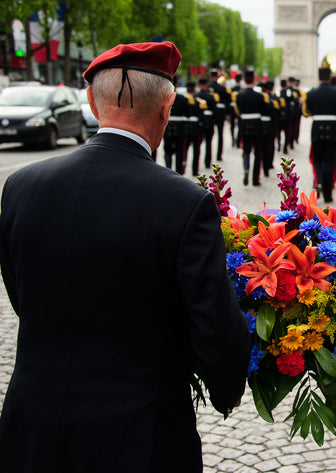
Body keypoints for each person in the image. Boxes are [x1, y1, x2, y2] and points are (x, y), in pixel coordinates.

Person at [0, 41, 252, 473]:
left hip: (31, 422)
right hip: (138, 432)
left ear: (93, 103)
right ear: (167, 106)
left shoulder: (20, 185)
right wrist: (227, 387)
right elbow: (213, 321)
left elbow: (23, 297)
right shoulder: (185, 203)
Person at [303, 66, 336, 203]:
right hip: (332, 129)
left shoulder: (311, 93)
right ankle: (328, 195)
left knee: (316, 160)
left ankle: (318, 182)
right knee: (329, 162)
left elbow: (307, 110)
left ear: (318, 77)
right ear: (330, 78)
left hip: (317, 129)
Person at [235, 69, 265, 186]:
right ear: (254, 80)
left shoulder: (239, 96)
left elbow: (238, 111)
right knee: (258, 154)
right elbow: (263, 110)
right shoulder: (259, 96)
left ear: (244, 80)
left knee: (246, 151)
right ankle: (255, 179)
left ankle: (246, 168)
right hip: (257, 125)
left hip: (244, 125)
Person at [163, 76, 190, 174]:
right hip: (180, 128)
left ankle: (167, 170)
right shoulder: (183, 98)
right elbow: (188, 113)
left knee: (167, 151)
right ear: (177, 85)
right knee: (180, 152)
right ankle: (178, 173)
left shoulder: (164, 98)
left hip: (168, 127)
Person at [208, 68, 231, 162]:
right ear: (217, 76)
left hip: (211, 112)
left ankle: (208, 159)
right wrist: (227, 113)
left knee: (209, 136)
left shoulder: (208, 87)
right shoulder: (222, 88)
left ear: (210, 77)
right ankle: (219, 155)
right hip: (221, 112)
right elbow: (228, 101)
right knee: (220, 134)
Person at [195, 77, 217, 170]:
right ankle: (207, 162)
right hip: (209, 120)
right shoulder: (211, 96)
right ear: (206, 85)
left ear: (199, 85)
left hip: (199, 121)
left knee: (198, 144)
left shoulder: (196, 96)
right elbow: (215, 110)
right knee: (209, 143)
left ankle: (196, 164)